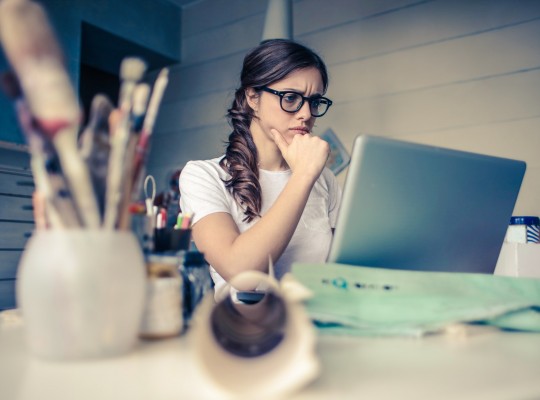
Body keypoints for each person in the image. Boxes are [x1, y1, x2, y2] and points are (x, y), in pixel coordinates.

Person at [180, 39, 341, 297]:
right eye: (290, 98)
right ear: (252, 97)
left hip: (317, 328)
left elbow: (338, 273)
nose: (306, 114)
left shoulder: (325, 180)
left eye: (314, 101)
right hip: (244, 330)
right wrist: (303, 176)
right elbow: (242, 275)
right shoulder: (203, 176)